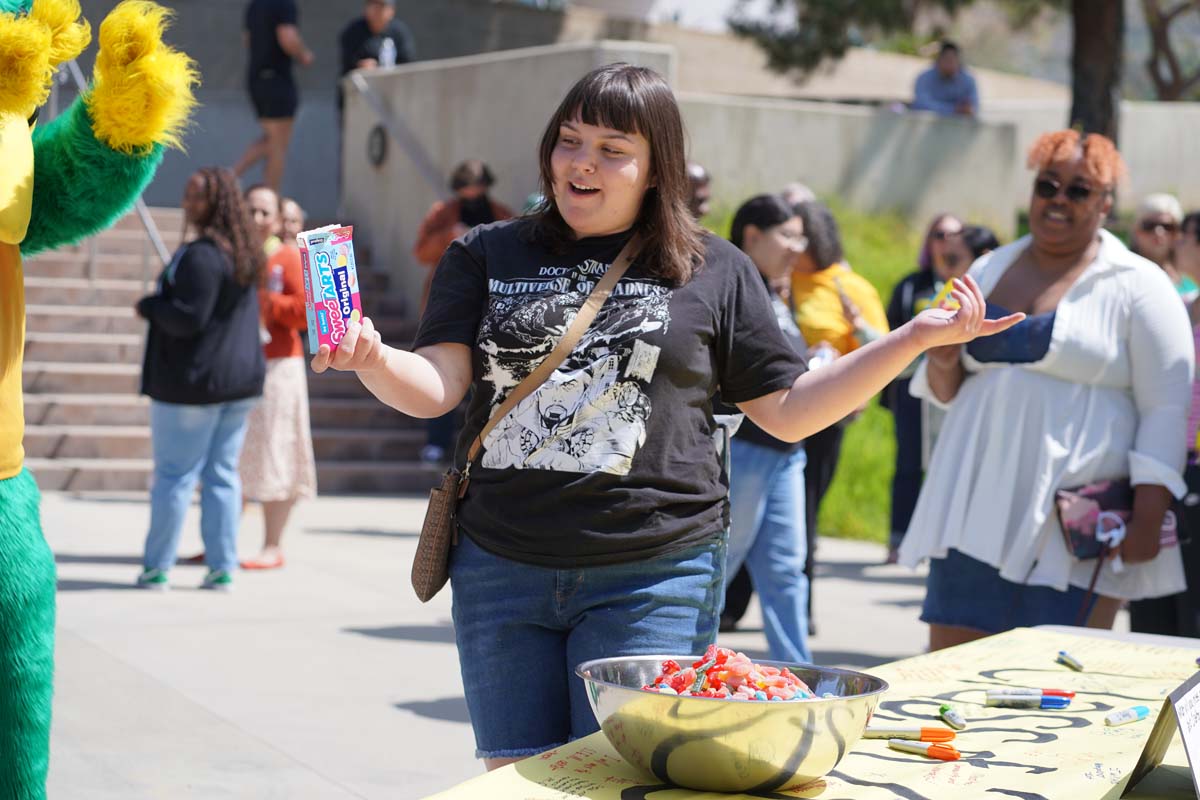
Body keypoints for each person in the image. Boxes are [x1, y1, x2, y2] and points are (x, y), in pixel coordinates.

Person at [311, 63, 1018, 769]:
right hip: (500, 565)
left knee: (623, 778)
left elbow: (792, 410)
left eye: (612, 150)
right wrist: (374, 359)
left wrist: (913, 339)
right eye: (569, 141)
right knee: (520, 778)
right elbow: (438, 385)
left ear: (656, 169)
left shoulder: (713, 268)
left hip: (652, 572)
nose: (582, 163)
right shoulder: (485, 253)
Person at [898, 130, 1194, 651]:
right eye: (1048, 185)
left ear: (1105, 204)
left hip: (1074, 528)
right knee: (949, 677)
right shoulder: (987, 269)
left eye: (1079, 191)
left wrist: (1148, 517)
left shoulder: (1140, 285)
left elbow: (1167, 406)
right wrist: (943, 358)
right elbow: (947, 389)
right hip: (974, 509)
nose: (1059, 199)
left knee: (1054, 683)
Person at [136, 168, 267, 592]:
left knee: (175, 475)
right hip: (236, 385)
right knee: (222, 475)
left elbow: (189, 317)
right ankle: (222, 567)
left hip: (194, 386)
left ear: (216, 203)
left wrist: (151, 305)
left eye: (196, 196)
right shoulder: (242, 253)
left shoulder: (204, 256)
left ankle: (157, 568)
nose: (187, 202)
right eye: (187, 193)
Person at [721, 194, 812, 662]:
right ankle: (679, 672)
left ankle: (797, 680)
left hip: (786, 452)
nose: (799, 246)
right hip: (748, 449)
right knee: (718, 569)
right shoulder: (735, 284)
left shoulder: (777, 287)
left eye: (802, 235)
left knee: (786, 572)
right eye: (789, 235)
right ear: (752, 236)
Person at [791, 199, 889, 628]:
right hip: (766, 407)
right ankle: (738, 602)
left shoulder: (849, 286)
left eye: (800, 234)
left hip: (825, 412)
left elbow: (880, 352)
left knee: (805, 508)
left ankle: (801, 604)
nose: (792, 243)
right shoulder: (773, 278)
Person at [412, 160, 515, 464]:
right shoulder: (442, 214)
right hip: (450, 305)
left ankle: (477, 446)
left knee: (483, 381)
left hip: (490, 306)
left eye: (477, 188)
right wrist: (450, 234)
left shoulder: (501, 214)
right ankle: (436, 443)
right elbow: (420, 252)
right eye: (466, 190)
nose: (473, 195)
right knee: (440, 373)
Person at [882, 213, 969, 564]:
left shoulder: (969, 284)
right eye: (939, 234)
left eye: (955, 235)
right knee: (908, 463)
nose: (946, 242)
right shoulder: (910, 286)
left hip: (953, 386)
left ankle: (940, 542)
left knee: (946, 465)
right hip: (911, 387)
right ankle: (899, 539)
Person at [238, 185, 317, 570]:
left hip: (278, 363)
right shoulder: (243, 253)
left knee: (278, 452)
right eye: (250, 211)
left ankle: (273, 544)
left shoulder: (286, 258)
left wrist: (268, 303)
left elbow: (306, 312)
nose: (258, 220)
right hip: (241, 362)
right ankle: (224, 541)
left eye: (265, 213)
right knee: (236, 456)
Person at [1129, 210, 1200, 637]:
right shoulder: (1182, 307)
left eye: (1186, 235)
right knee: (1153, 605)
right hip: (1167, 463)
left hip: (1194, 467)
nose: (1178, 243)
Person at [234, 0, 314, 193]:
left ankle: (233, 177)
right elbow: (287, 36)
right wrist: (304, 54)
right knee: (278, 145)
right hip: (276, 79)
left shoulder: (254, 5)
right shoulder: (285, 4)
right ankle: (266, 196)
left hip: (257, 80)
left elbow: (247, 39)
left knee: (273, 140)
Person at [338, 0, 414, 112]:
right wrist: (360, 66)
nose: (376, 10)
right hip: (359, 98)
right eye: (372, 5)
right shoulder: (353, 32)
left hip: (391, 96)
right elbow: (347, 63)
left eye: (381, 6)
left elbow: (407, 62)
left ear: (391, 10)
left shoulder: (399, 32)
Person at [1132, 193, 1194, 303]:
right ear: (1137, 232)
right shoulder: (1125, 277)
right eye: (1149, 226)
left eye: (1167, 226)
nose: (1159, 232)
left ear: (1178, 233)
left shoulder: (1192, 280)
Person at [911, 41, 978, 117]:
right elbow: (921, 104)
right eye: (946, 59)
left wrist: (967, 109)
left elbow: (974, 107)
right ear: (938, 60)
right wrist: (953, 109)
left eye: (952, 60)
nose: (949, 64)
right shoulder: (924, 78)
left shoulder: (968, 81)